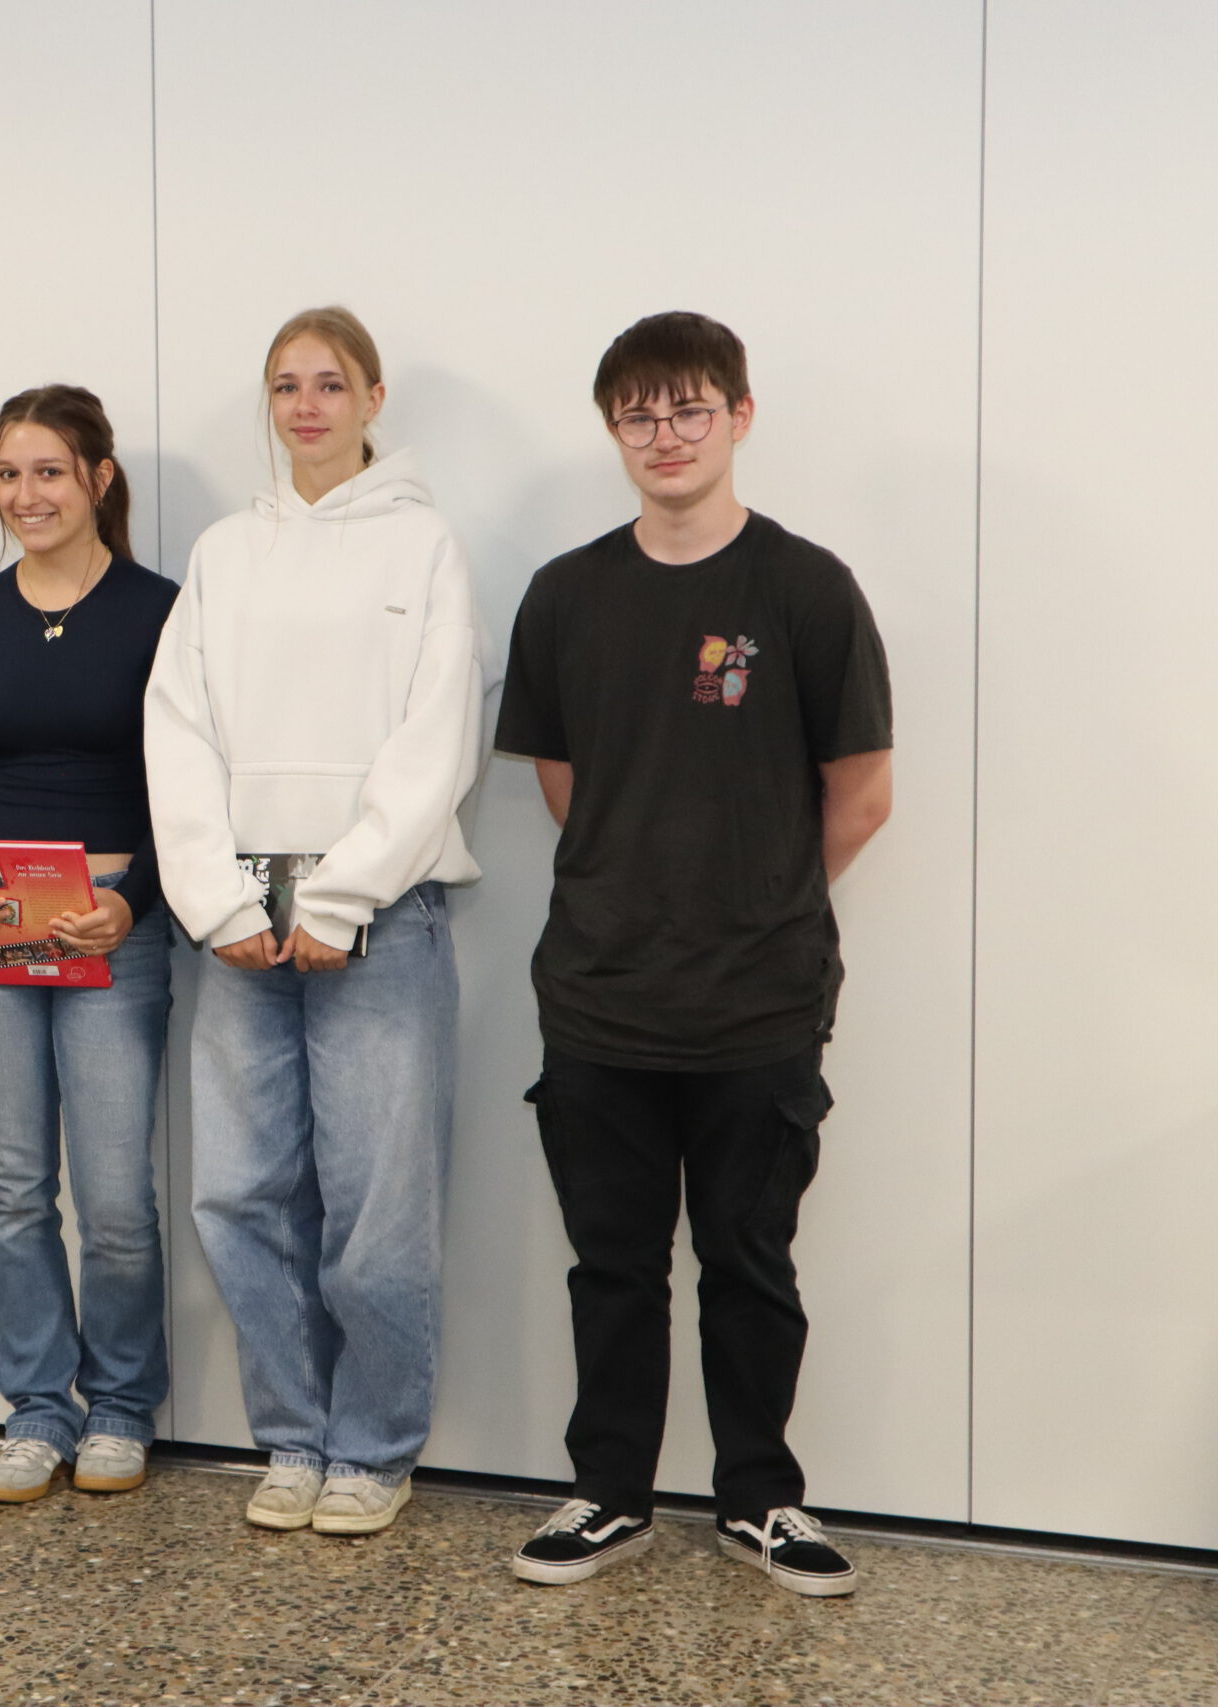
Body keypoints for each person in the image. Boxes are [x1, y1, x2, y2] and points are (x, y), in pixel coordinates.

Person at [496, 310, 893, 1596]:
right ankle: (608, 1492)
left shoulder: (806, 589)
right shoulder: (565, 595)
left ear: (739, 416)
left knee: (748, 1264)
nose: (664, 435)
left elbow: (863, 795)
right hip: (599, 994)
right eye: (638, 414)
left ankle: (760, 1498)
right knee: (611, 1268)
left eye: (689, 409)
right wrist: (644, 887)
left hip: (758, 1000)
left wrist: (752, 893)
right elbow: (566, 785)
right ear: (612, 430)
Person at [145, 307, 487, 1535]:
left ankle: (374, 1451)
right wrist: (217, 900)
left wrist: (340, 896)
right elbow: (176, 729)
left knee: (376, 1208)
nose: (305, 406)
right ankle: (291, 1439)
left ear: (372, 399)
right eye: (286, 385)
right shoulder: (224, 552)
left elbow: (437, 738)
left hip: (379, 918)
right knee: (239, 1197)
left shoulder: (424, 545)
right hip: (241, 915)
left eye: (330, 384)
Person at [0, 385, 177, 1503]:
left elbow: (187, 787)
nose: (26, 495)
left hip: (110, 926)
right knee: (16, 1186)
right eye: (8, 473)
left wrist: (138, 903)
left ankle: (119, 1407)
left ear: (98, 479)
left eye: (49, 472)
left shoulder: (161, 610)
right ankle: (36, 1409)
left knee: (116, 1198)